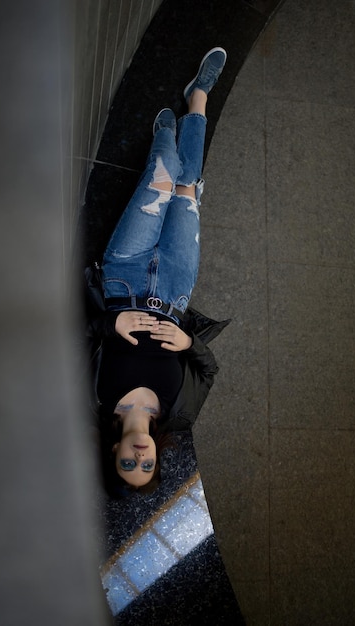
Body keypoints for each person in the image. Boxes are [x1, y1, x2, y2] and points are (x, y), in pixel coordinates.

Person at [88, 47, 230, 496]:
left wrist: (111, 325)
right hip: (174, 285)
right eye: (146, 464)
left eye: (128, 463)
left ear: (113, 455)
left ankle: (164, 137)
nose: (139, 455)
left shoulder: (92, 401)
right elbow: (207, 371)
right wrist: (188, 342)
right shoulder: (179, 414)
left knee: (165, 176)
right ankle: (199, 97)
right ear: (155, 458)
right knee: (188, 190)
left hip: (123, 278)